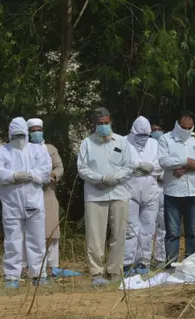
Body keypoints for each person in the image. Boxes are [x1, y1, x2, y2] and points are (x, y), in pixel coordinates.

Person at [0, 117, 51, 288]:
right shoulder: (1, 151)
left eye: (21, 135)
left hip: (34, 202)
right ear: (10, 134)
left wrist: (31, 175)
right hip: (11, 204)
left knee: (37, 240)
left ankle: (39, 274)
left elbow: (45, 171)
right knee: (12, 240)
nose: (19, 139)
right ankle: (11, 276)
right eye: (15, 135)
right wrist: (14, 176)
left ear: (26, 133)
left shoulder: (38, 150)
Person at [77, 107, 134, 286]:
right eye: (100, 124)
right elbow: (82, 169)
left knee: (119, 234)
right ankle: (96, 273)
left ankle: (115, 271)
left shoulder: (122, 142)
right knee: (95, 236)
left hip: (119, 192)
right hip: (95, 195)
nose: (104, 126)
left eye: (106, 123)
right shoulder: (87, 143)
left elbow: (129, 166)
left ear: (111, 122)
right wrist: (100, 178)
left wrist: (113, 179)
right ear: (94, 124)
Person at [25, 118, 81, 278]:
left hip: (48, 193)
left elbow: (59, 166)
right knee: (32, 231)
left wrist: (54, 175)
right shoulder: (25, 150)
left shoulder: (50, 148)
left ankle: (52, 266)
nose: (36, 133)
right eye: (33, 130)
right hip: (30, 193)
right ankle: (32, 266)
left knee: (51, 231)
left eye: (38, 129)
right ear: (29, 132)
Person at [158, 110, 195, 267]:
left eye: (189, 127)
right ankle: (171, 264)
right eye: (183, 127)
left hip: (194, 192)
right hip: (173, 192)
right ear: (177, 124)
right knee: (173, 233)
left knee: (194, 232)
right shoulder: (165, 139)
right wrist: (186, 160)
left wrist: (185, 168)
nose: (186, 130)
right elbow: (164, 161)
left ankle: (192, 265)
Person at [123, 116, 163, 275]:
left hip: (151, 190)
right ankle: (127, 262)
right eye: (139, 135)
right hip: (130, 190)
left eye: (145, 135)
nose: (143, 139)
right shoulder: (124, 142)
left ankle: (143, 261)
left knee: (148, 228)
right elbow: (121, 163)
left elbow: (161, 164)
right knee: (130, 228)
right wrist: (137, 166)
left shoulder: (154, 144)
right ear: (133, 133)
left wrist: (150, 168)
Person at [149, 118, 166, 269]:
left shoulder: (167, 144)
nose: (155, 132)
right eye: (152, 130)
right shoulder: (148, 146)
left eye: (158, 129)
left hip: (166, 189)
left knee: (164, 226)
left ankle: (161, 258)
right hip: (151, 189)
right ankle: (145, 258)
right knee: (149, 226)